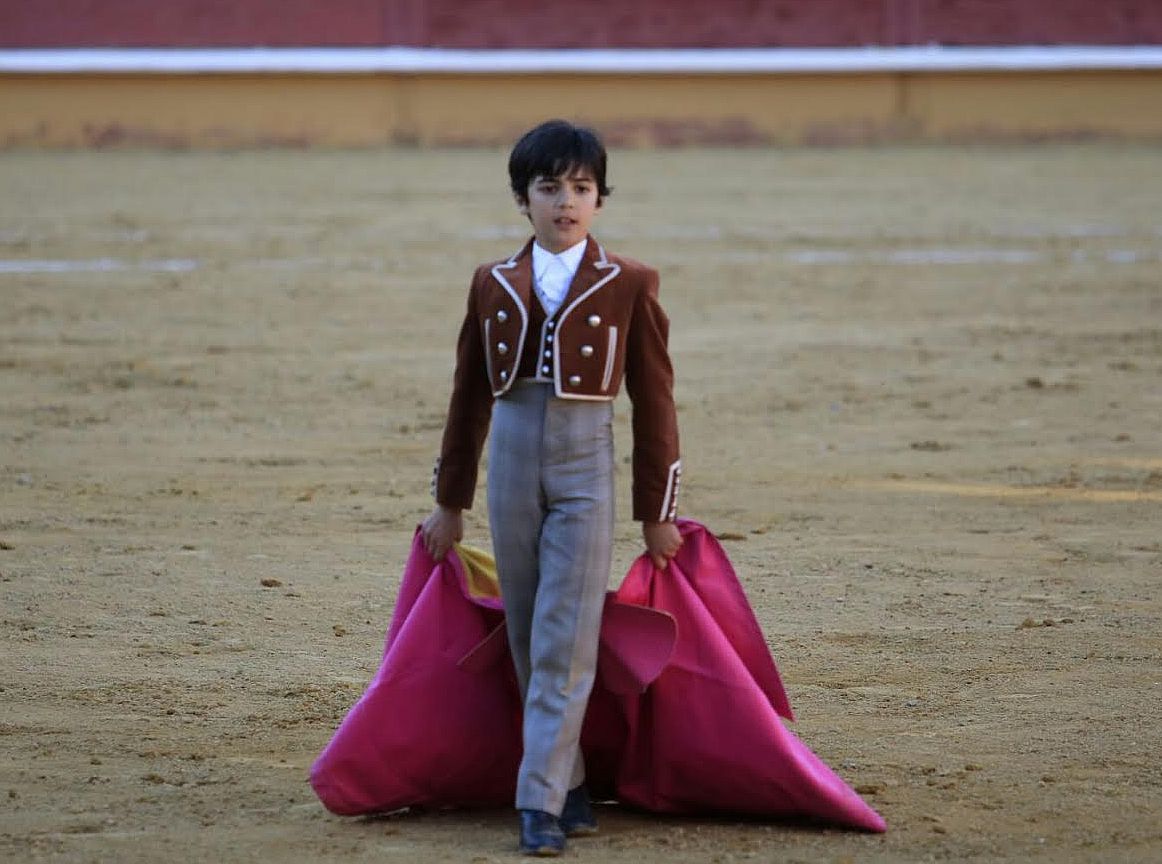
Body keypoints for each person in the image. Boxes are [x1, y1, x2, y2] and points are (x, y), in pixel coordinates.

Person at [420, 118, 683, 857]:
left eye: (581, 187)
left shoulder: (629, 282)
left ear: (600, 200)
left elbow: (654, 401)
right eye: (549, 187)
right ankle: (566, 782)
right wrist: (450, 502)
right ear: (522, 199)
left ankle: (536, 802)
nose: (566, 201)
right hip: (509, 457)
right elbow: (468, 397)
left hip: (584, 463)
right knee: (533, 628)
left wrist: (657, 511)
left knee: (566, 634)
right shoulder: (492, 282)